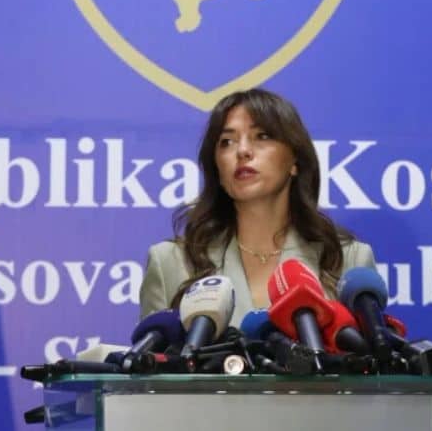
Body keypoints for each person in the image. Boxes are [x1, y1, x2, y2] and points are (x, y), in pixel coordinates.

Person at [139, 88, 375, 327]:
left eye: (262, 136)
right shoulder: (171, 263)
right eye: (227, 142)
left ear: (294, 160)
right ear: (217, 168)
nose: (242, 151)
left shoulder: (347, 261)